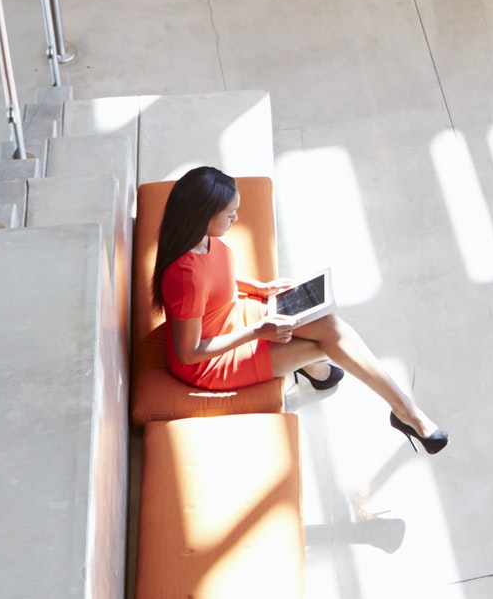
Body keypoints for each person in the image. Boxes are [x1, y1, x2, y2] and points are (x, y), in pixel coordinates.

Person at [153, 166, 447, 454]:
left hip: (231, 317)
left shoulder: (202, 239)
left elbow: (215, 278)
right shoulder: (184, 275)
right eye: (229, 214)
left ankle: (399, 408)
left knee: (329, 325)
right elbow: (189, 353)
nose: (236, 218)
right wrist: (257, 331)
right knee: (327, 343)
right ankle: (405, 413)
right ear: (203, 216)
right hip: (211, 363)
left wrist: (258, 287)